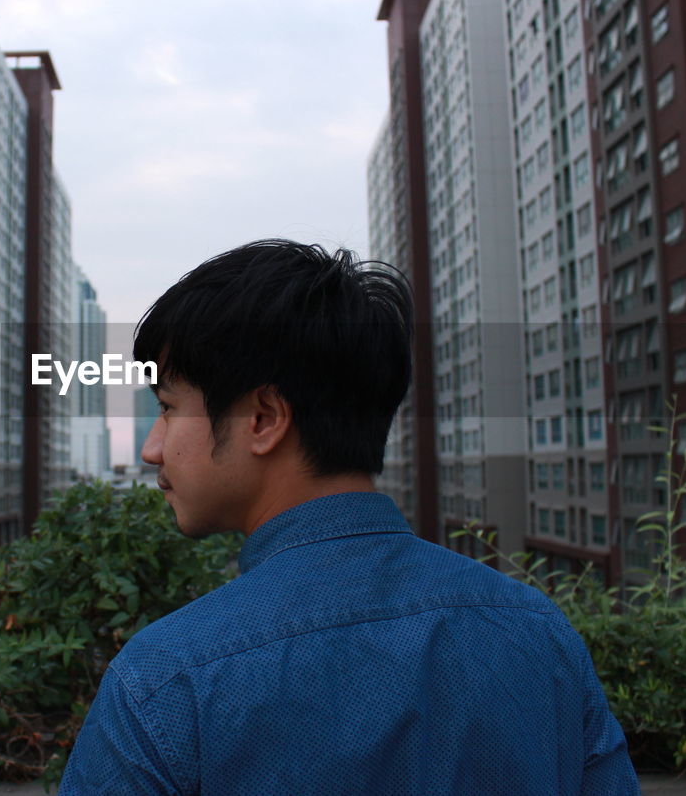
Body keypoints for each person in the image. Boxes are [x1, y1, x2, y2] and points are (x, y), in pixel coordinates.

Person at [57, 240, 639, 795]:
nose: (151, 448)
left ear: (263, 419)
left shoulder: (166, 681)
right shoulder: (539, 635)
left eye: (168, 409)